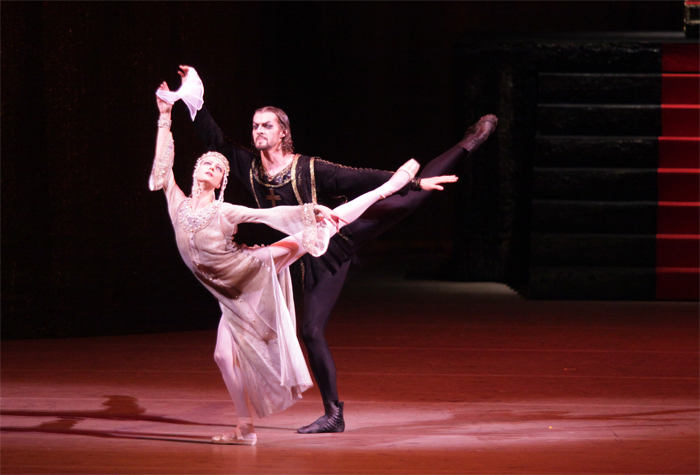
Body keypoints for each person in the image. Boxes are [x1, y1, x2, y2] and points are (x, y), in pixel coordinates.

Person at [160, 66, 497, 433]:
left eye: (267, 125)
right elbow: (213, 137)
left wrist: (414, 181)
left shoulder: (309, 167)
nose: (258, 131)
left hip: (334, 240)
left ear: (283, 132)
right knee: (300, 331)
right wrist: (192, 99)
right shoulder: (248, 166)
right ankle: (321, 414)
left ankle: (467, 144)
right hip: (294, 257)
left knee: (404, 203)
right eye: (255, 125)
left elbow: (360, 177)